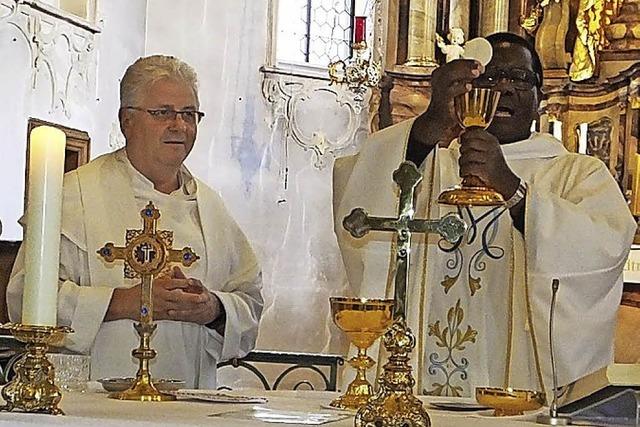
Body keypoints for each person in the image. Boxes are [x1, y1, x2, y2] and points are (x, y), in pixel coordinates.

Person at [333, 33, 635, 399]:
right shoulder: (428, 164)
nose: (504, 88)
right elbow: (360, 207)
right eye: (488, 78)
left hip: (521, 395)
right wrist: (429, 124)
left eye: (520, 78)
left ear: (541, 96)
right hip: (416, 394)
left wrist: (513, 189)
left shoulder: (575, 173)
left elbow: (603, 251)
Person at [8, 55, 263, 389]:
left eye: (189, 114)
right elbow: (25, 298)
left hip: (188, 403)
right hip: (92, 405)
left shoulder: (211, 207)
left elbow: (250, 299)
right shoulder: (75, 195)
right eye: (163, 113)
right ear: (127, 120)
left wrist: (213, 309)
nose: (180, 125)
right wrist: (123, 302)